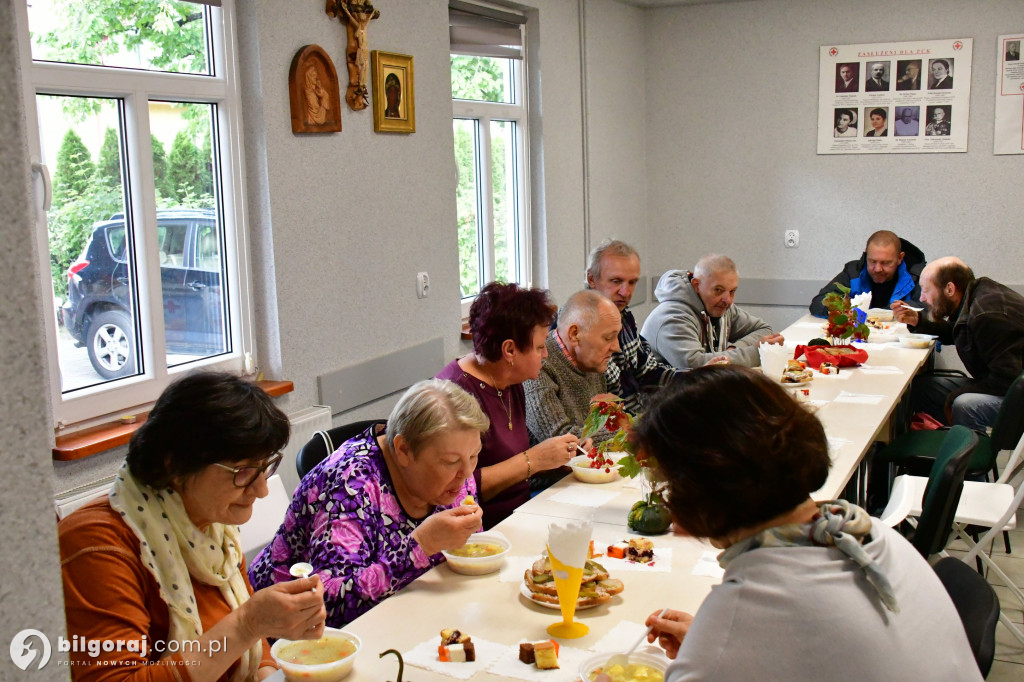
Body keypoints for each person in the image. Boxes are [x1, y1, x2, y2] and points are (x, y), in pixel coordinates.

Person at [636, 366, 983, 682]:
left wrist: (719, 650)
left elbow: (772, 624)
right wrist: (725, 652)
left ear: (703, 490)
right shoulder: (867, 532)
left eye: (669, 486)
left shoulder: (743, 614)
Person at [59, 372, 327, 681]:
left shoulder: (211, 525)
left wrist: (267, 667)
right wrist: (247, 624)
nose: (261, 490)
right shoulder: (96, 545)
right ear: (175, 465)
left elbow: (253, 651)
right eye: (242, 472)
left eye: (265, 467)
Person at [249, 379, 487, 628]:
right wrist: (422, 546)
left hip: (404, 615)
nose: (466, 473)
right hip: (283, 632)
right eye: (450, 461)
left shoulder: (456, 466)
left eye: (474, 455)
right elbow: (330, 605)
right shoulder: (349, 485)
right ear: (403, 450)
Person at [436, 282, 579, 528]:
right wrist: (535, 459)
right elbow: (455, 487)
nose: (545, 355)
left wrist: (561, 456)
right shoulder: (453, 395)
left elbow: (514, 463)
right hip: (480, 531)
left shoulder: (510, 379)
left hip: (522, 516)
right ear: (510, 350)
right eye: (539, 347)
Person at [893, 257, 1024, 431]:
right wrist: (918, 321)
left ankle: (972, 455)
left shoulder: (986, 316)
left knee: (963, 404)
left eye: (926, 290)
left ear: (949, 289)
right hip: (1006, 383)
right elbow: (955, 332)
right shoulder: (976, 295)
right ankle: (934, 445)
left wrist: (957, 395)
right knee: (922, 389)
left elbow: (1007, 379)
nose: (923, 298)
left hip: (1016, 395)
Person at [585, 239, 684, 416]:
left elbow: (648, 372)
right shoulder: (579, 331)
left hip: (638, 419)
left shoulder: (626, 317)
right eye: (616, 281)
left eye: (632, 283)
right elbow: (594, 411)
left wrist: (702, 375)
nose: (626, 292)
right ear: (591, 279)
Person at [641, 255, 782, 368]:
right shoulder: (673, 317)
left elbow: (764, 329)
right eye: (718, 290)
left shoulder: (721, 307)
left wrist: (733, 349)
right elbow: (698, 366)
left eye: (732, 291)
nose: (727, 300)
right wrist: (755, 352)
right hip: (664, 399)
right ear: (696, 285)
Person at [524, 290, 621, 445]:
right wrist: (635, 430)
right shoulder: (538, 365)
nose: (617, 347)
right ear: (575, 334)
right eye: (608, 338)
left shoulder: (591, 360)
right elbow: (560, 438)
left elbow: (603, 425)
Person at [809, 230, 925, 317]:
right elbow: (818, 303)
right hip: (859, 340)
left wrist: (899, 310)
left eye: (886, 263)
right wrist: (842, 310)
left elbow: (930, 310)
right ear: (866, 254)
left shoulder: (917, 275)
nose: (878, 269)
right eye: (872, 261)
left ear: (900, 258)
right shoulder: (853, 272)